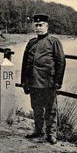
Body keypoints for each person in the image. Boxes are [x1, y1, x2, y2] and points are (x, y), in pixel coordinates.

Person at [21, 14, 66, 144]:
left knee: (51, 109)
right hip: (33, 81)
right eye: (36, 25)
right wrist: (24, 82)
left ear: (47, 26)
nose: (38, 28)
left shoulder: (54, 42)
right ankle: (38, 130)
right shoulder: (31, 43)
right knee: (36, 107)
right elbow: (25, 63)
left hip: (48, 82)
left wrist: (58, 81)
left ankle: (51, 134)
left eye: (41, 25)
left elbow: (61, 62)